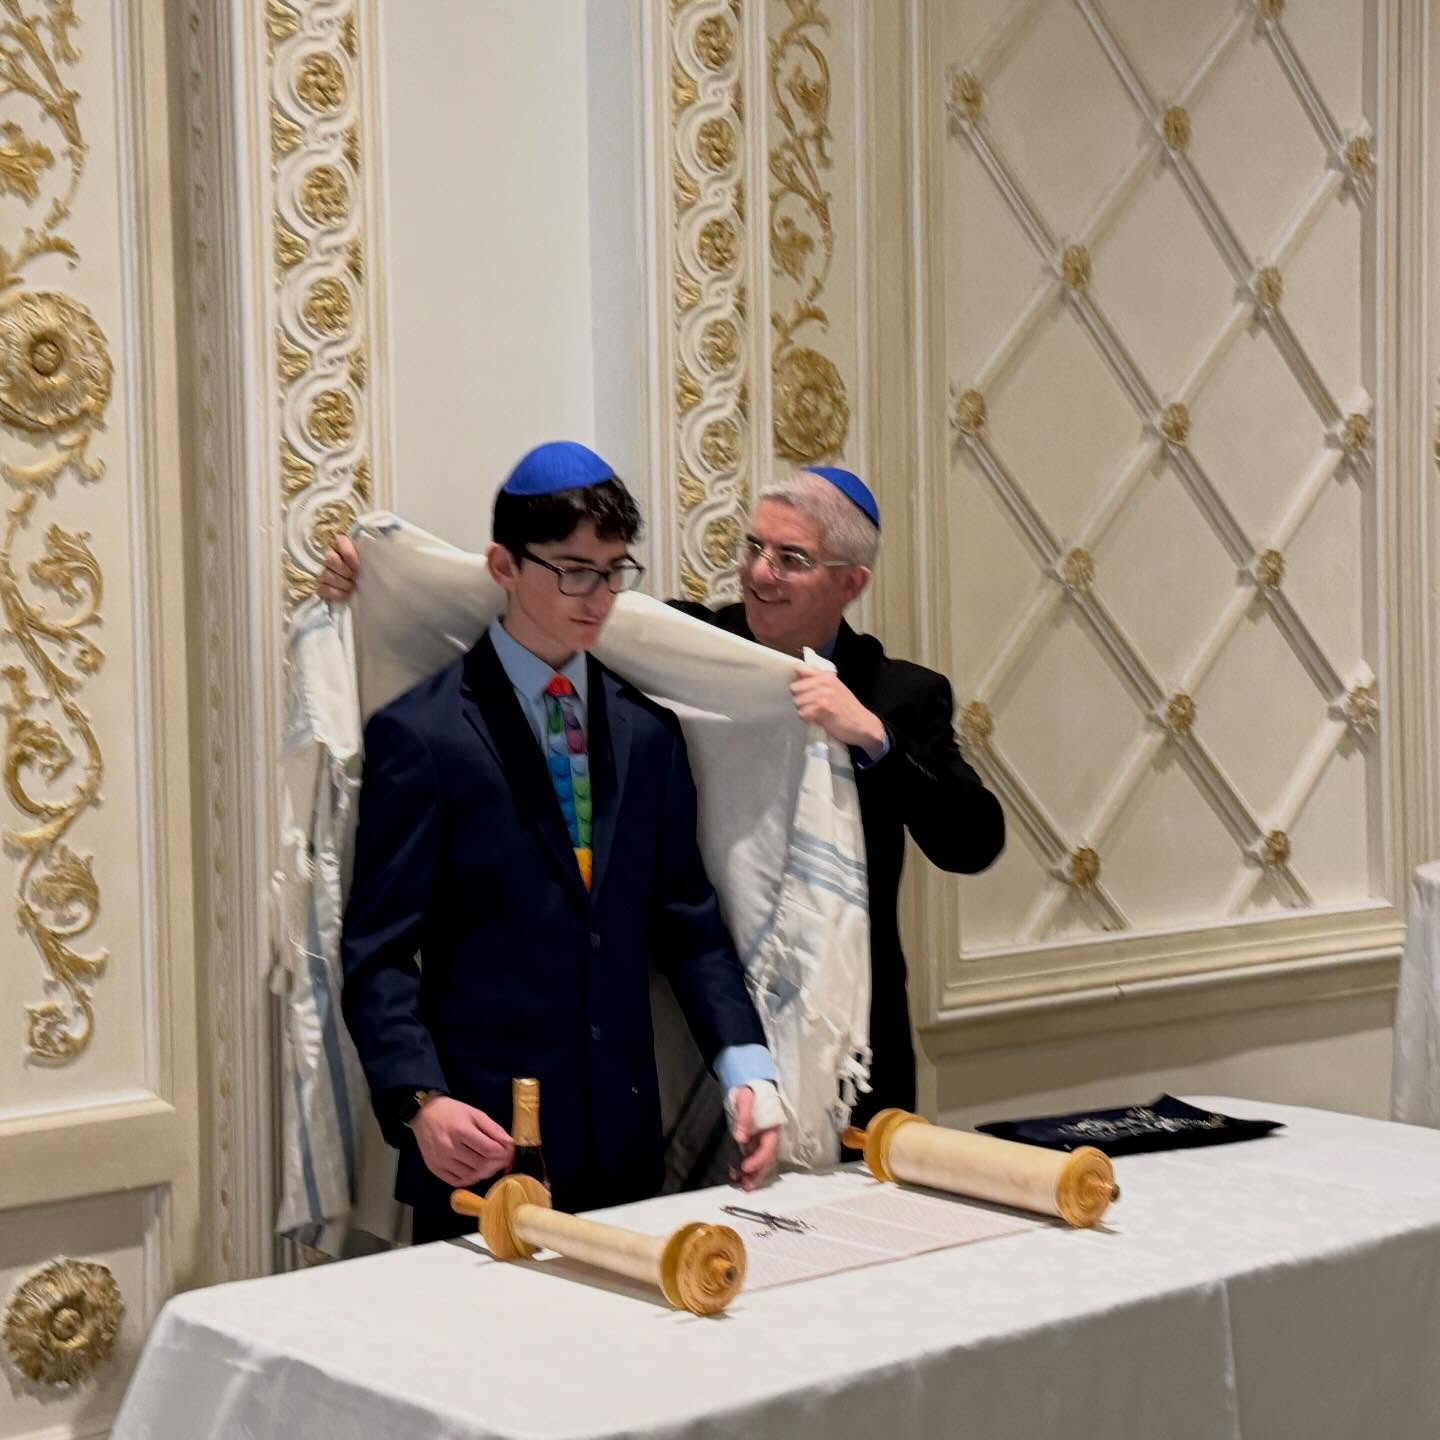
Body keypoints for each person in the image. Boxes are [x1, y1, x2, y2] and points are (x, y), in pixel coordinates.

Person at [326, 463, 1005, 1137]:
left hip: (842, 1030)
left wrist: (873, 735)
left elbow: (975, 840)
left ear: (851, 582)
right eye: (753, 548)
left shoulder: (898, 694)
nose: (760, 574)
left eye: (791, 559)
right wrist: (379, 575)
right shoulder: (688, 646)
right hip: (673, 1037)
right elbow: (523, 599)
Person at [341, 441, 780, 1243]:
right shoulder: (423, 735)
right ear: (504, 566)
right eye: (575, 570)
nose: (599, 595)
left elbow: (688, 921)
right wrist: (420, 1102)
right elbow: (377, 953)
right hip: (482, 1146)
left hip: (625, 1145)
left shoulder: (648, 733)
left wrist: (746, 1067)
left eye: (615, 571)